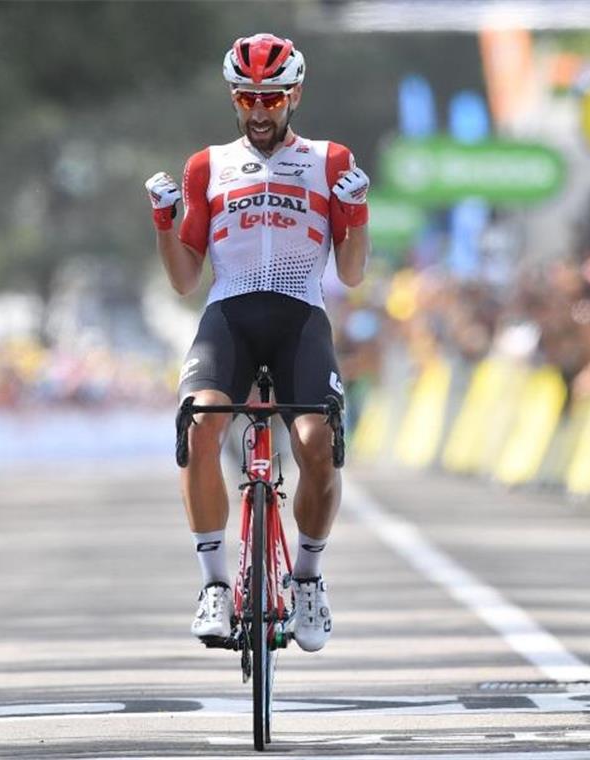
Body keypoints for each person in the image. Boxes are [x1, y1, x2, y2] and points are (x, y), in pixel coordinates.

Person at [143, 33, 371, 652]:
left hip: (299, 314)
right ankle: (215, 584)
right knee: (199, 428)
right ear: (234, 99)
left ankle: (308, 580)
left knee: (317, 442)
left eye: (272, 97)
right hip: (230, 314)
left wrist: (356, 216)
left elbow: (350, 273)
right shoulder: (206, 166)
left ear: (293, 95)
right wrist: (165, 224)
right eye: (247, 97)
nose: (259, 109)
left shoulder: (330, 161)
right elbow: (186, 279)